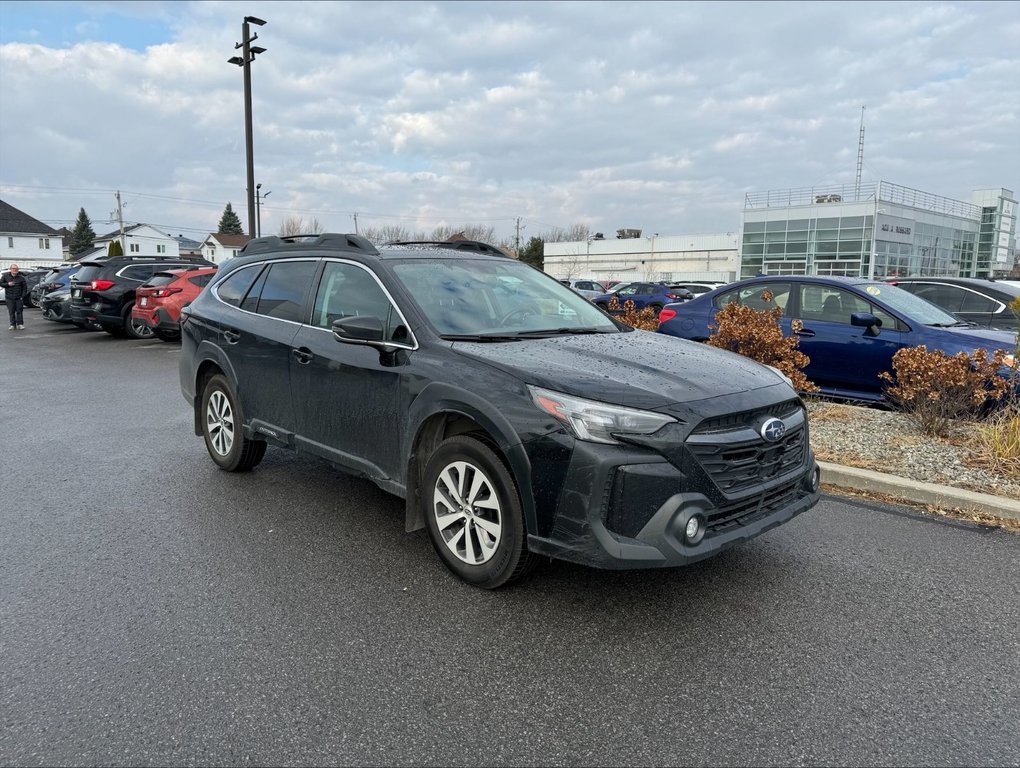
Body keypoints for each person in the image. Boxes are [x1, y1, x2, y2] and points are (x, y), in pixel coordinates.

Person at [1, 263, 28, 330]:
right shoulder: (5, 276)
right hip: (9, 298)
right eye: (13, 269)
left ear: (18, 270)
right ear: (10, 269)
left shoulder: (21, 278)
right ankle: (12, 325)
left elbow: (25, 288)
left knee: (19, 311)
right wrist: (7, 284)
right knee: (11, 311)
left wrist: (22, 296)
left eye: (16, 269)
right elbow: (1, 283)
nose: (15, 270)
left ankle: (20, 324)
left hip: (19, 298)